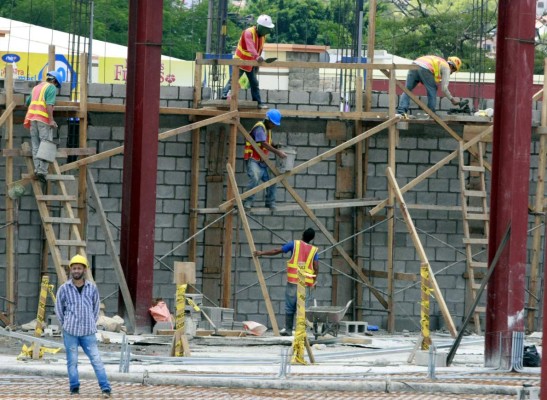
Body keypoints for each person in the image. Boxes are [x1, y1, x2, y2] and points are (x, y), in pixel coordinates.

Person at [55, 254, 112, 398]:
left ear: (84, 270)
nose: (76, 271)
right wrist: (65, 324)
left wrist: (91, 322)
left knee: (96, 360)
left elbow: (96, 307)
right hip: (70, 332)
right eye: (74, 268)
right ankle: (74, 388)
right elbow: (59, 309)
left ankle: (105, 388)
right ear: (70, 270)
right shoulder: (64, 289)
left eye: (79, 268)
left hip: (88, 332)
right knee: (72, 361)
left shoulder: (92, 288)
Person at [254, 228, 319, 336]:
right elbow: (316, 267)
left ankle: (288, 330)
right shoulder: (313, 250)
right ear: (312, 239)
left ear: (302, 234)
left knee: (290, 307)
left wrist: (261, 253)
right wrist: (313, 281)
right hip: (305, 283)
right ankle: (300, 332)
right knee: (302, 309)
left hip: (293, 282)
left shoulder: (294, 244)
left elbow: (277, 251)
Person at [222, 14, 275, 109]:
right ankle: (224, 95)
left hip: (250, 63)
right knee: (233, 80)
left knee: (254, 83)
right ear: (261, 27)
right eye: (266, 29)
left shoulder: (263, 37)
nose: (268, 31)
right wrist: (257, 57)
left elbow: (259, 49)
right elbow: (250, 47)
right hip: (240, 61)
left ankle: (258, 102)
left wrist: (257, 63)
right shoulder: (248, 32)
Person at [243, 108, 286, 210]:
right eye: (273, 123)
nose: (274, 126)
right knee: (255, 178)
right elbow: (263, 142)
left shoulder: (267, 129)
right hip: (253, 159)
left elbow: (267, 142)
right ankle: (247, 202)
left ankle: (270, 202)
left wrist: (275, 146)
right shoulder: (259, 127)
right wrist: (278, 152)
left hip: (262, 161)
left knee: (273, 179)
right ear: (268, 120)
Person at [24, 71, 62, 183]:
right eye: (56, 84)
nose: (56, 87)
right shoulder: (51, 88)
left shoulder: (36, 87)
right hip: (43, 120)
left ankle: (37, 169)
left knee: (36, 145)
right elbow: (49, 104)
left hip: (32, 119)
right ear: (54, 80)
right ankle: (42, 171)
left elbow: (27, 102)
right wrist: (51, 120)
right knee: (46, 145)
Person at [396, 55, 462, 117]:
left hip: (414, 64)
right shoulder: (446, 67)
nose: (451, 73)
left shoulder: (440, 62)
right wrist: (452, 100)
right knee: (432, 89)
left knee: (407, 90)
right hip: (425, 67)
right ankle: (431, 113)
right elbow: (444, 88)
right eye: (452, 71)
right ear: (452, 67)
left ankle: (401, 112)